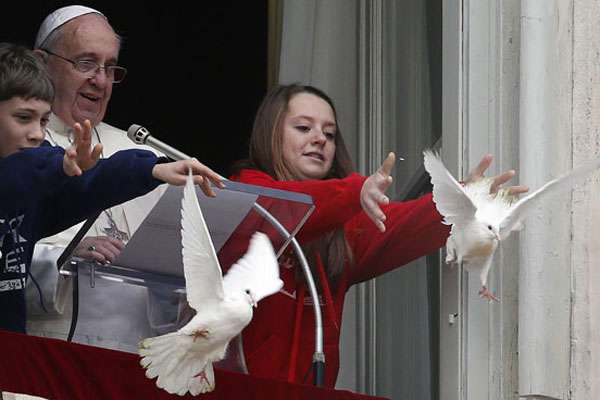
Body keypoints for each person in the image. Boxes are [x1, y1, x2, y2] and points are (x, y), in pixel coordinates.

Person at [228, 83, 528, 387]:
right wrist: (355, 191)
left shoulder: (343, 229)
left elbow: (407, 223)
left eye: (329, 134)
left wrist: (467, 200)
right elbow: (278, 205)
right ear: (271, 134)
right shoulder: (242, 195)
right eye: (304, 127)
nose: (319, 139)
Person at [0, 42, 223, 333]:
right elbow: (15, 175)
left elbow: (90, 187)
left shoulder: (31, 197)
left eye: (43, 121)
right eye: (23, 118)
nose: (36, 134)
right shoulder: (29, 173)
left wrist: (152, 169)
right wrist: (60, 166)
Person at [25, 5, 182, 351]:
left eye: (110, 68)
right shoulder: (13, 143)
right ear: (41, 62)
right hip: (44, 359)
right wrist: (66, 255)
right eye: (85, 63)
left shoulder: (138, 152)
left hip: (132, 361)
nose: (100, 80)